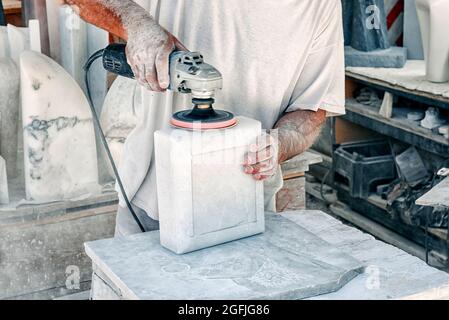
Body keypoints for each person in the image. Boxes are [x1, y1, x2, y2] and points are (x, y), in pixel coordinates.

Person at [62, 0, 345, 236]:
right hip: (151, 204)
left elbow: (311, 109)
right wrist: (137, 25)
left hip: (246, 208)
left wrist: (279, 144)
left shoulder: (321, 6)